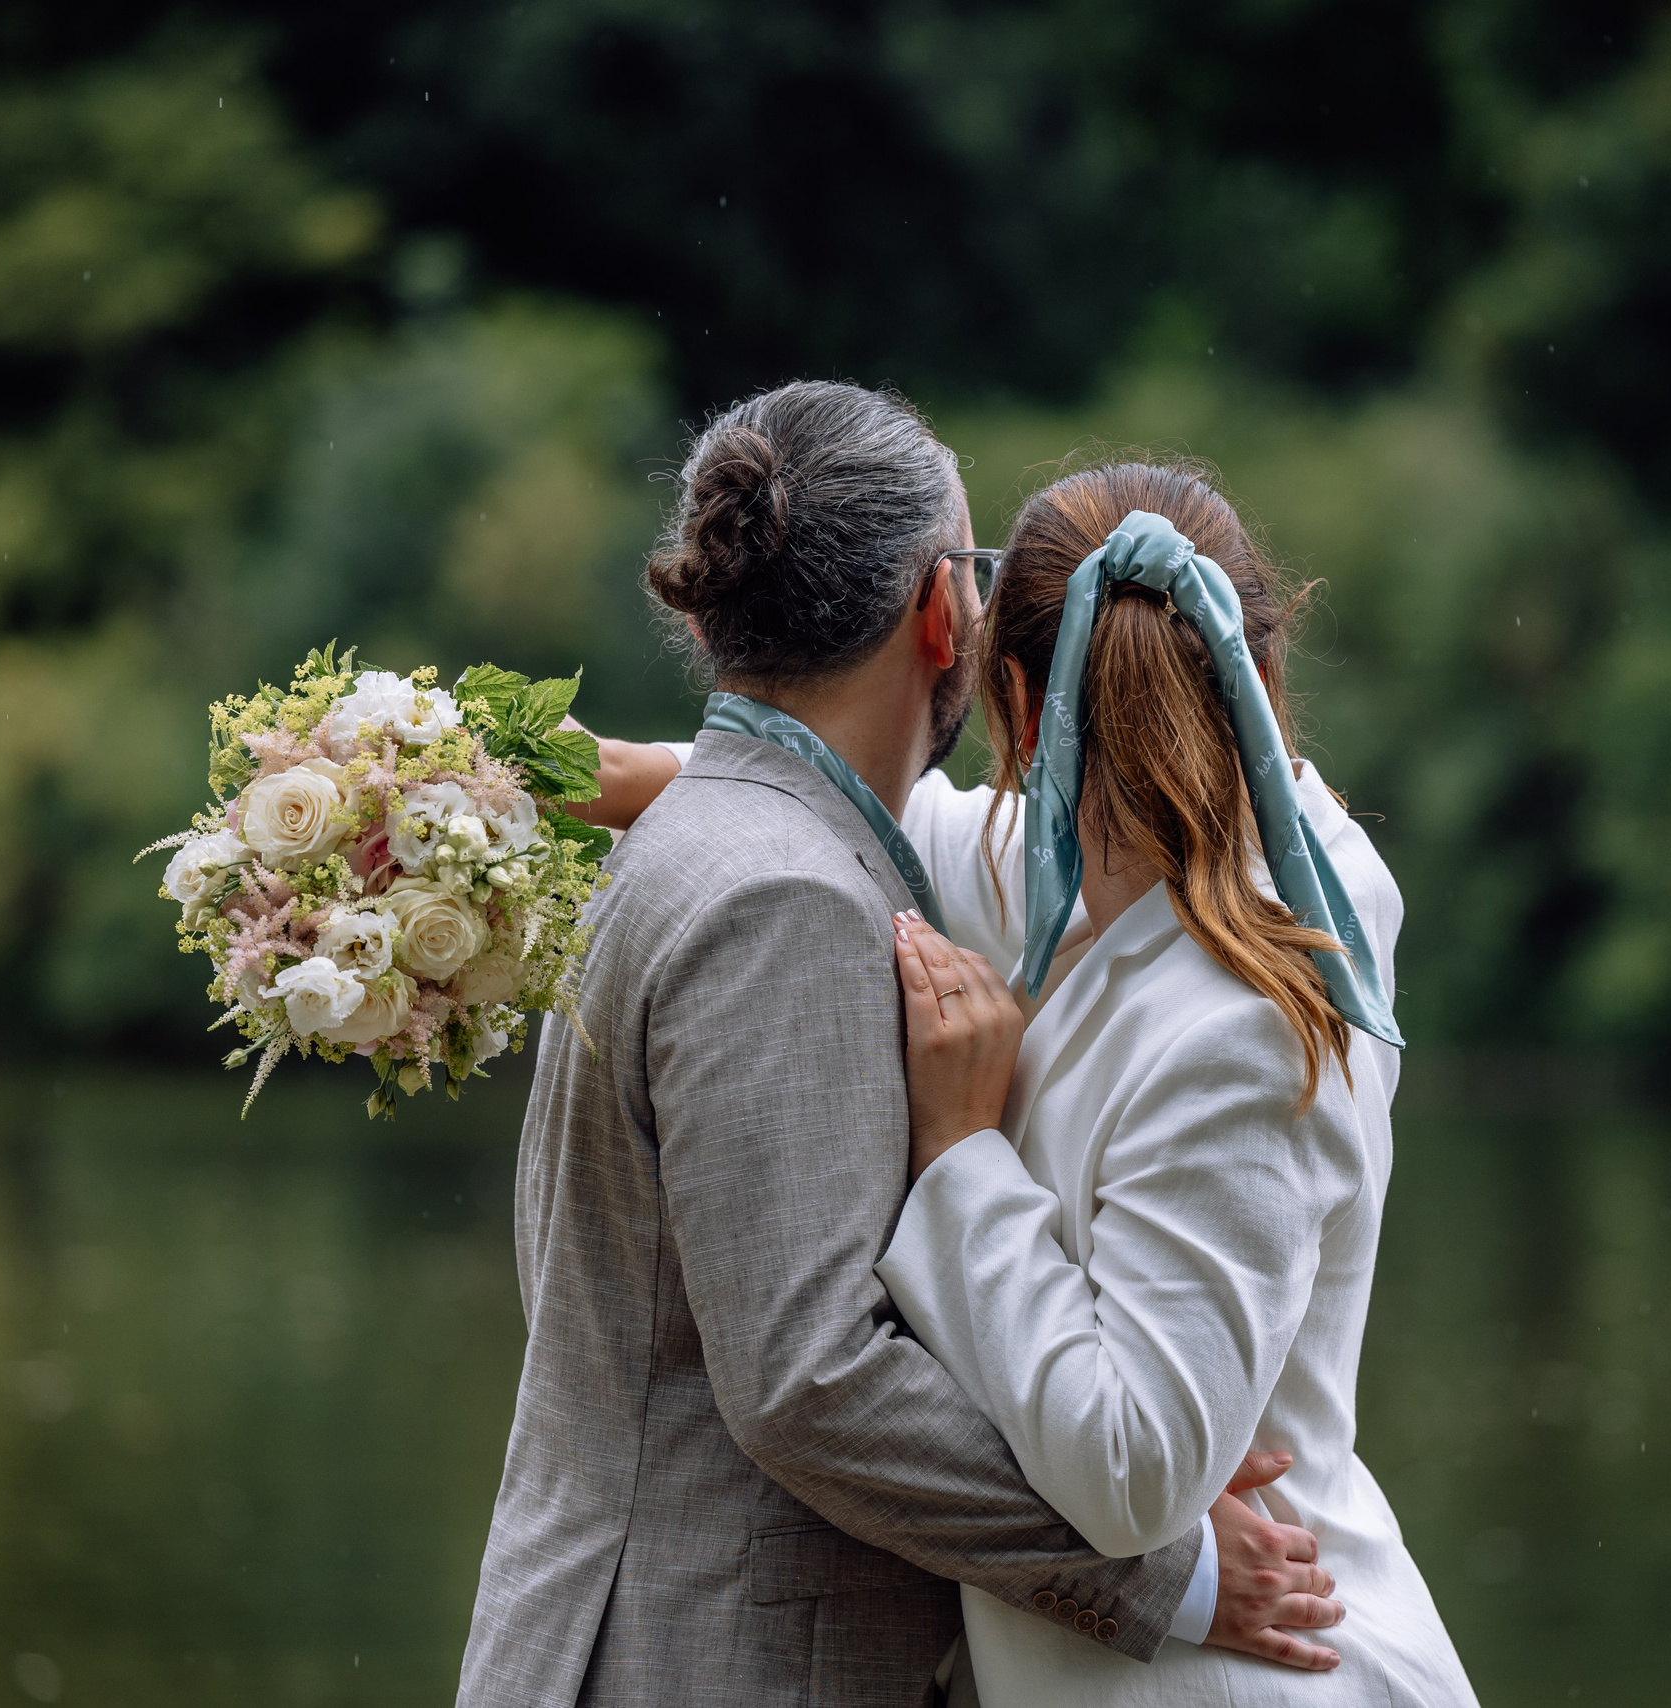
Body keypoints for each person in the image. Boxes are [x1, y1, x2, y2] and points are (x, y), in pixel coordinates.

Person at [457, 386, 1345, 1708]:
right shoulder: (785, 901)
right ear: (943, 612)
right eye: (979, 575)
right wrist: (1161, 1572)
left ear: (715, 611)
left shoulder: (704, 845)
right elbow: (811, 1380)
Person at [594, 461, 1479, 1705]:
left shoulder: (1249, 1012)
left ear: (1009, 696)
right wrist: (587, 776)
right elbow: (892, 821)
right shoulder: (1046, 870)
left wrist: (962, 1157)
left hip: (1237, 1678)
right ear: (1263, 678)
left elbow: (1133, 1474)